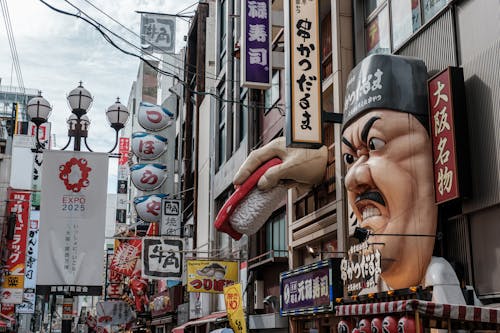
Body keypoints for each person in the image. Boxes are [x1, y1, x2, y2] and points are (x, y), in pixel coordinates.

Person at [231, 54, 466, 304]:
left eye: (375, 144)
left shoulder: (437, 279)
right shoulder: (370, 291)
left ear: (436, 151)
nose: (352, 178)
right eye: (349, 159)